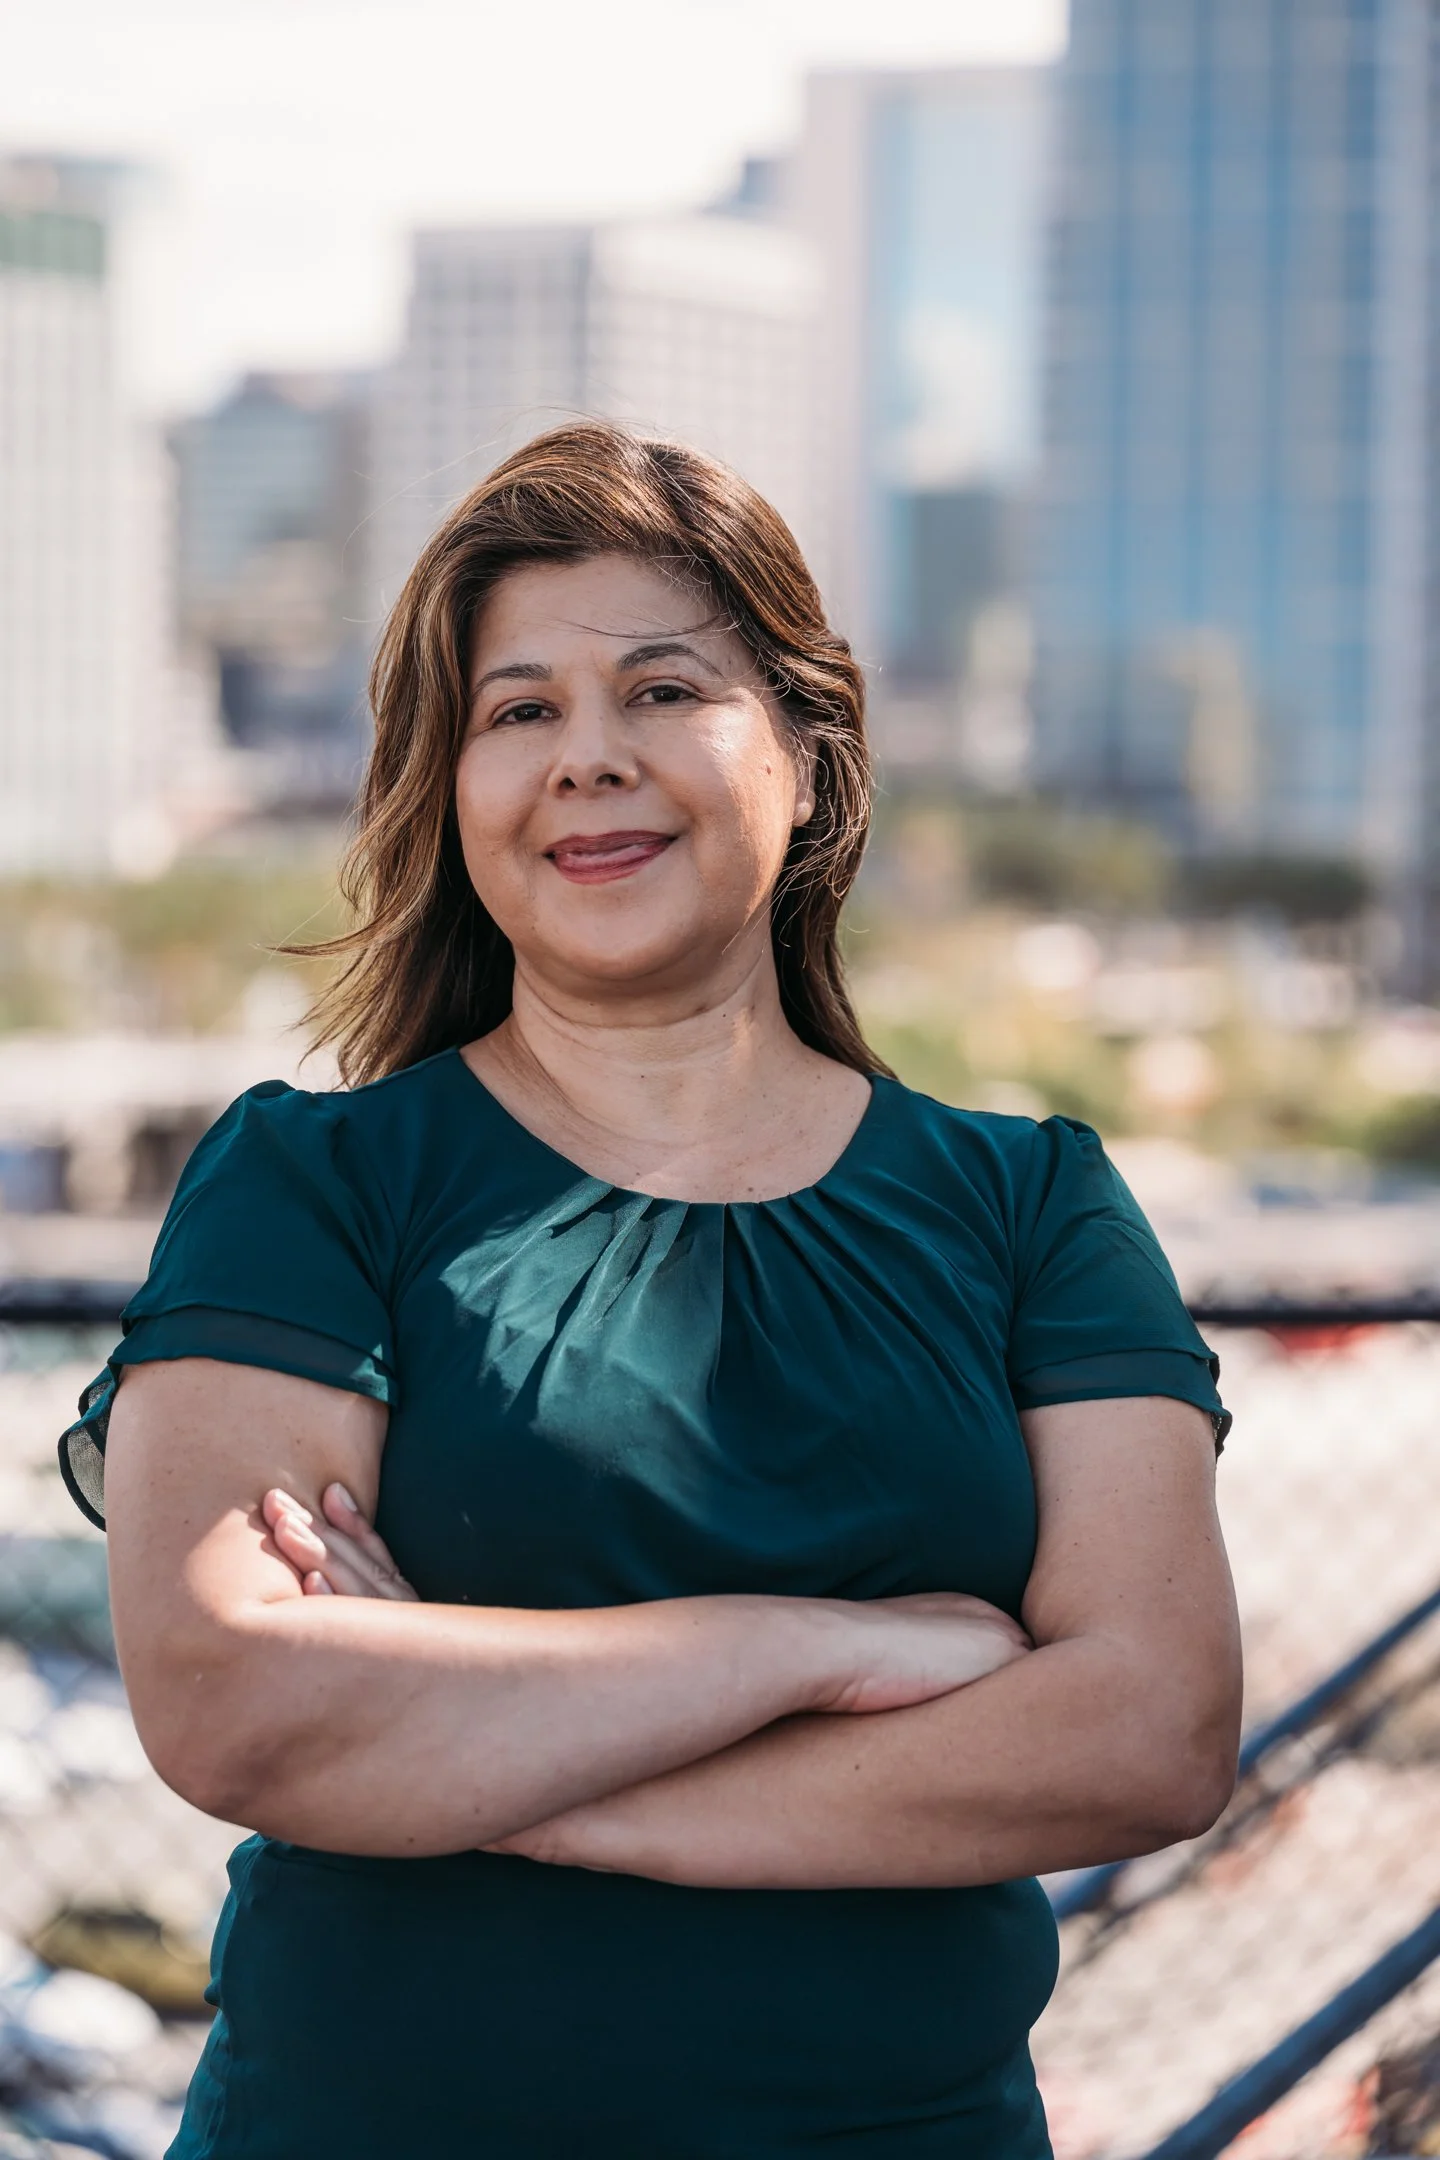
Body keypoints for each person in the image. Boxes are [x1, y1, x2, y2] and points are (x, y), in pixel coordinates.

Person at [60, 421, 1241, 2159]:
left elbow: (1150, 1732)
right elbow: (241, 1701)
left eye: (663, 692)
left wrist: (492, 1774)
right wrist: (832, 1649)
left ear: (810, 753)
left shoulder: (1030, 1203)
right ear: (449, 791)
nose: (585, 760)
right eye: (518, 711)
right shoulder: (315, 1183)